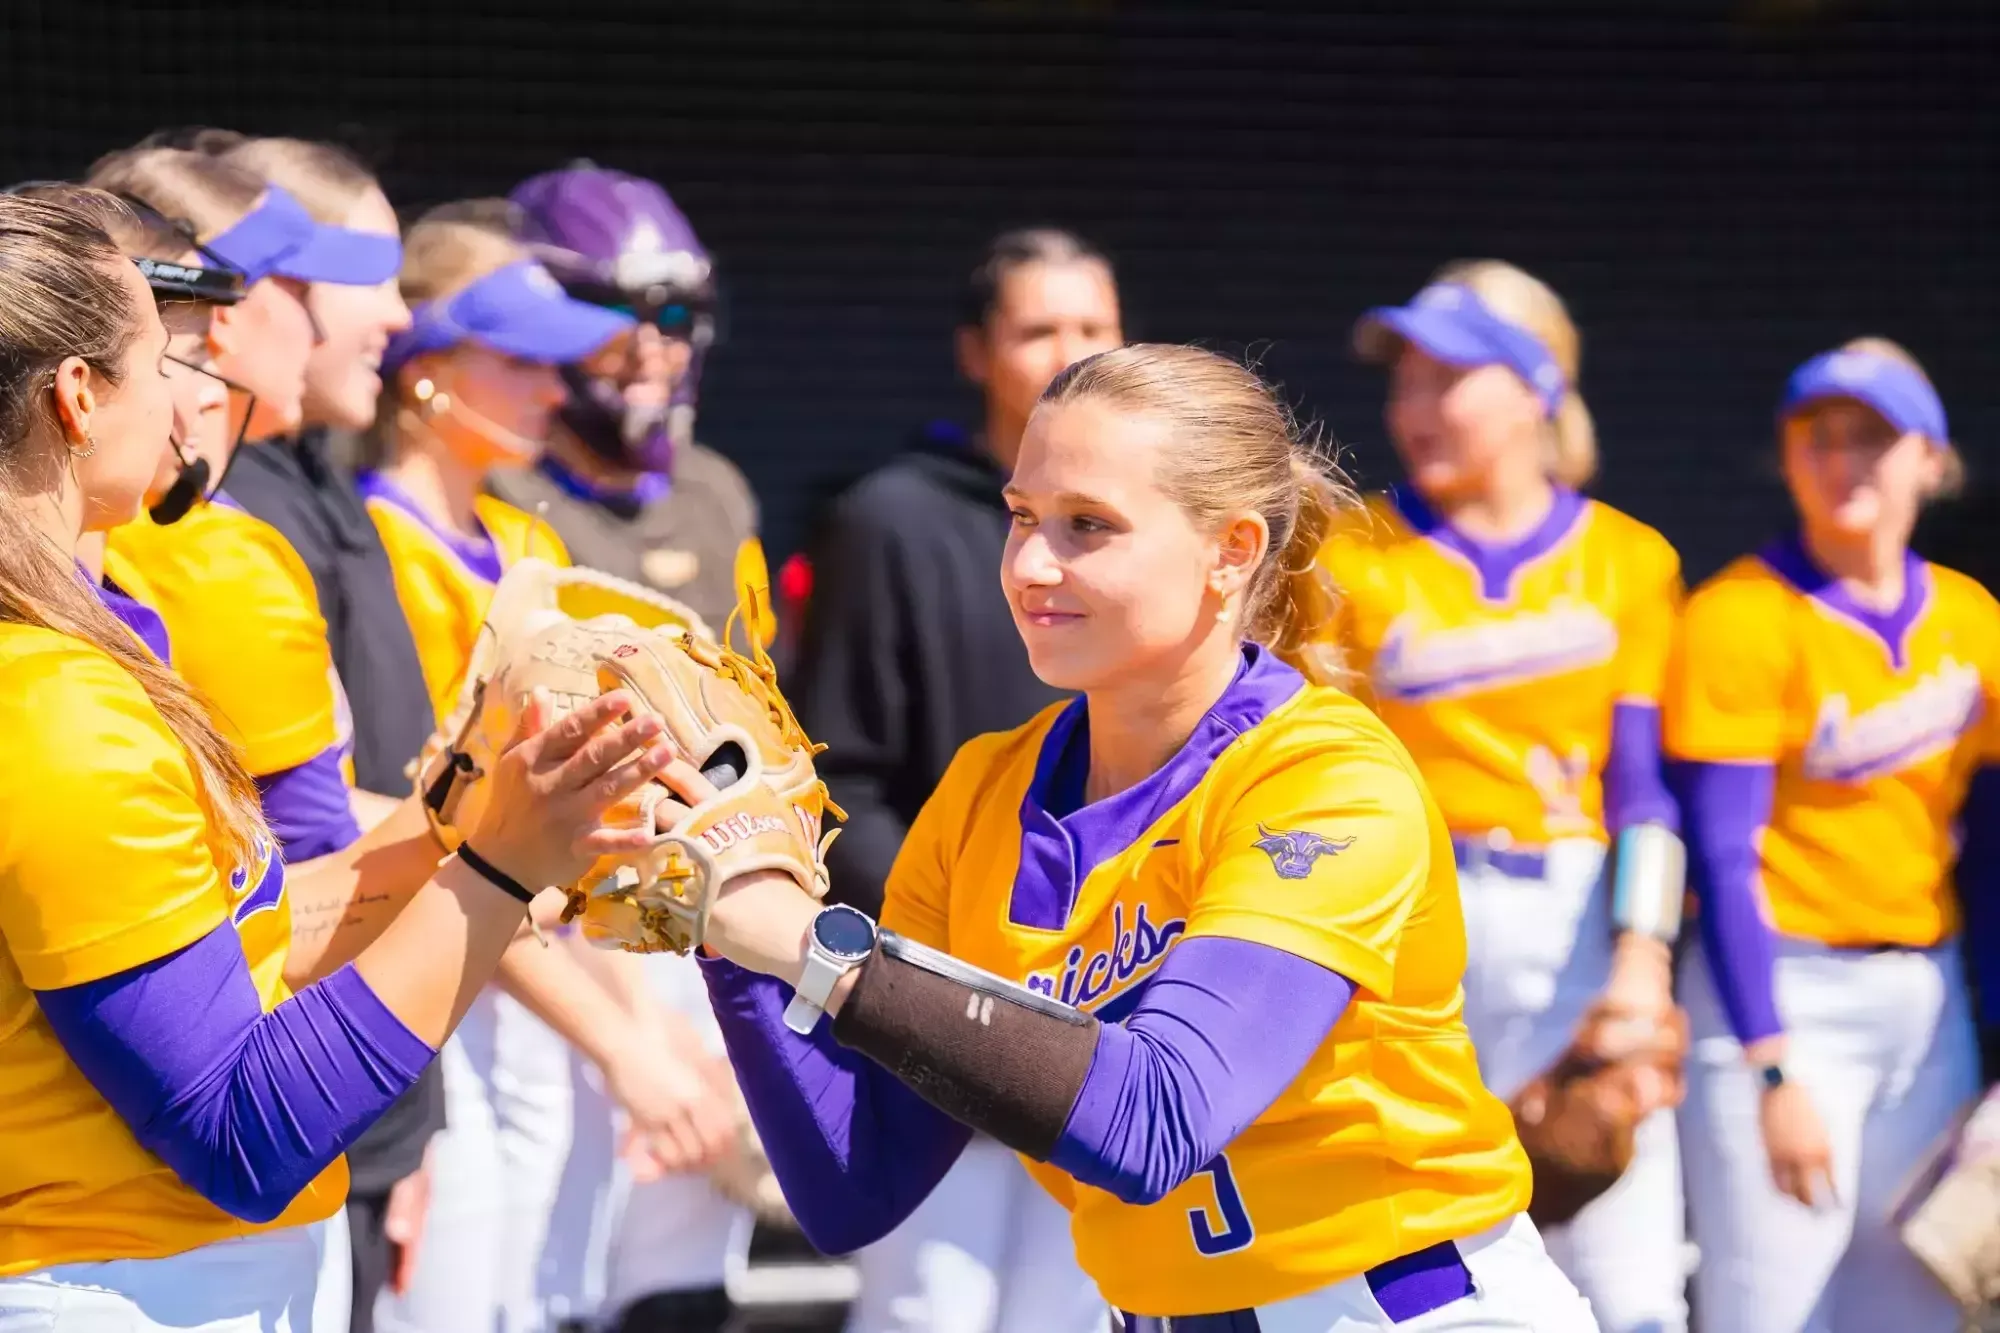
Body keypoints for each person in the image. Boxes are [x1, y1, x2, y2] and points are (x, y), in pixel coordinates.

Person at [677, 343, 1599, 1331]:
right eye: (1023, 516)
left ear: (1232, 549)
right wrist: (723, 916)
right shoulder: (985, 789)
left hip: (1397, 1308)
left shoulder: (1324, 775)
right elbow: (858, 1178)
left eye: (1089, 527)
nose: (1032, 563)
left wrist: (807, 944)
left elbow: (1160, 1119)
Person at [0, 188, 676, 1332]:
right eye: (161, 354)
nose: (191, 386)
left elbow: (237, 947)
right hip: (115, 1287)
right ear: (77, 398)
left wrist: (474, 812)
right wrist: (500, 870)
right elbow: (241, 1131)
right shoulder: (53, 710)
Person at [363, 200, 740, 1333]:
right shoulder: (370, 544)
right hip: (440, 1005)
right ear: (425, 364)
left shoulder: (526, 544)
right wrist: (624, 1038)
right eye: (523, 358)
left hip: (569, 985)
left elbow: (587, 824)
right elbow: (435, 837)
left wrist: (649, 1016)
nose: (554, 387)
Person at [1319, 263, 1689, 1332]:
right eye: (1405, 381)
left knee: (1629, 1284)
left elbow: (1643, 792)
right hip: (1411, 923)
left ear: (1533, 387)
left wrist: (1640, 955)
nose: (1411, 407)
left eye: (1448, 377)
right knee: (1433, 1279)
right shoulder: (1347, 553)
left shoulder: (1628, 557)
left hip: (1576, 927)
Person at [788, 228, 1122, 1333]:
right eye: (1039, 330)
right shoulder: (888, 519)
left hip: (1103, 1019)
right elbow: (840, 780)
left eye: (1092, 327)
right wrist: (956, 964)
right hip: (933, 1001)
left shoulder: (1155, 538)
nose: (1069, 353)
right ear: (976, 351)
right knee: (927, 1313)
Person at [1664, 339, 1999, 1333]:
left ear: (1929, 462)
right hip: (1777, 996)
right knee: (1768, 1308)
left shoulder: (1971, 620)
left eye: (1873, 437)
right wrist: (1770, 1068)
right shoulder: (1737, 615)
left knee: (1909, 1306)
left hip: (1921, 1000)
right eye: (1819, 437)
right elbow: (1721, 858)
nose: (1843, 461)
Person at [169, 131, 445, 1333]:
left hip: (334, 1094)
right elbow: (294, 878)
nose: (391, 313)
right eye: (340, 275)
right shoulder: (211, 549)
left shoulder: (289, 498)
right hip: (230, 1133)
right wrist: (515, 855)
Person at [87, 146, 400, 864]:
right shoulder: (207, 554)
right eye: (295, 287)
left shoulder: (168, 524)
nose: (316, 327)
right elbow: (307, 864)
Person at [492, 163, 767, 640]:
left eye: (674, 314)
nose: (647, 350)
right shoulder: (493, 495)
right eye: (612, 314)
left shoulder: (717, 493)